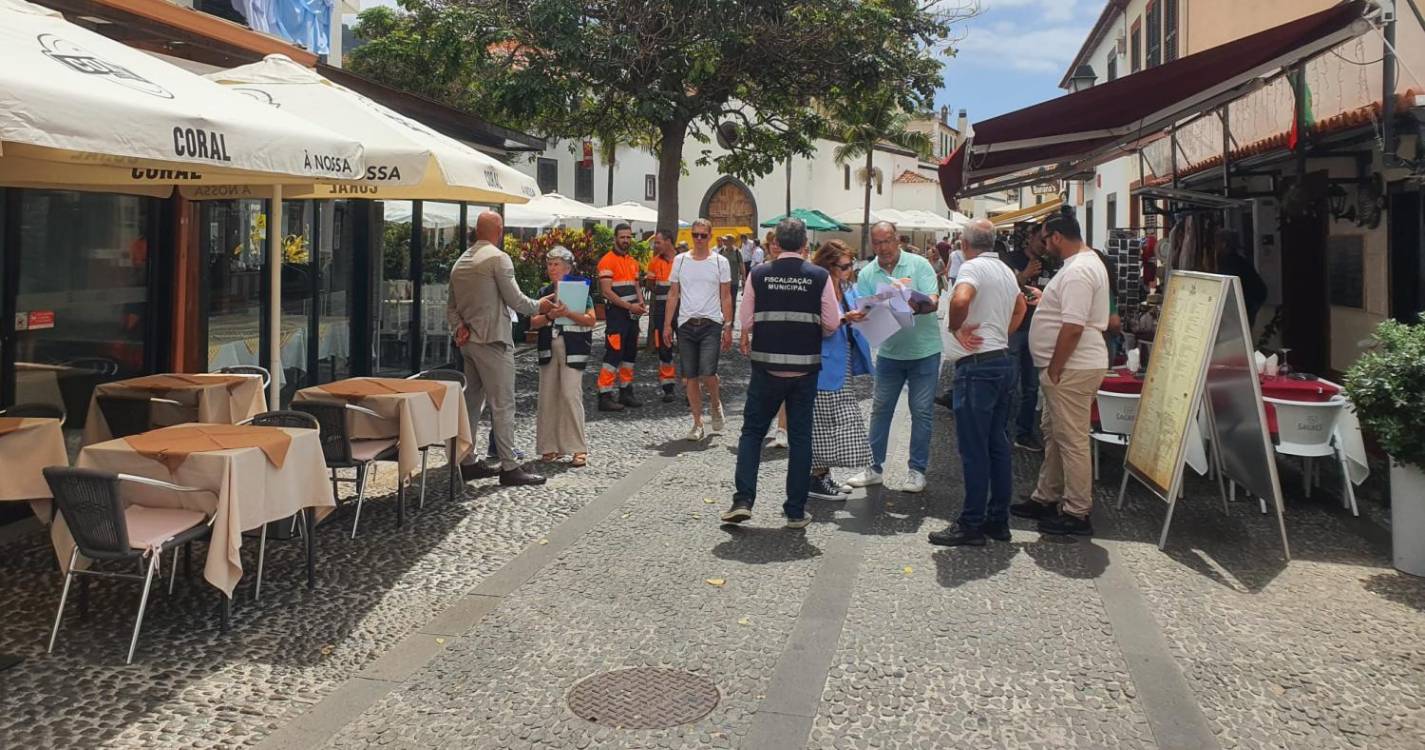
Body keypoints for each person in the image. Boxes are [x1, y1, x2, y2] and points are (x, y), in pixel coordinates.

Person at [721, 218, 841, 529]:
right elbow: (832, 323)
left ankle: (743, 500)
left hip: (766, 367)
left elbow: (745, 320)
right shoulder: (819, 276)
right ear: (804, 245)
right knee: (801, 439)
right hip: (804, 369)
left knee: (752, 433)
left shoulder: (759, 274)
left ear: (777, 244)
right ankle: (795, 511)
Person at [928, 219, 1026, 547]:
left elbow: (959, 300)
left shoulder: (973, 269)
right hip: (1000, 359)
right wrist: (1001, 333)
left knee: (973, 449)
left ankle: (971, 522)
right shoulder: (1007, 272)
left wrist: (957, 328)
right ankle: (998, 520)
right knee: (997, 445)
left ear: (965, 245)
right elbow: (1021, 307)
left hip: (977, 367)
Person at [1011, 213, 1111, 536]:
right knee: (1055, 435)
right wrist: (1046, 302)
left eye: (1044, 237)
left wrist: (1055, 367)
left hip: (1072, 367)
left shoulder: (1080, 270)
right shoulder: (1080, 265)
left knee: (1071, 440)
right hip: (1071, 366)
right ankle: (1046, 495)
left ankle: (1077, 512)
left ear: (1056, 237)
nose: (1042, 244)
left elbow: (1073, 327)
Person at [446, 210, 555, 486]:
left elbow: (451, 307)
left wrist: (459, 328)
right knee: (503, 404)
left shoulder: (461, 262)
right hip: (493, 340)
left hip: (468, 342)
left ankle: (466, 460)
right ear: (499, 230)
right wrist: (542, 305)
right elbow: (517, 301)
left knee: (472, 402)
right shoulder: (497, 258)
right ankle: (509, 466)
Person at [847, 221, 942, 493]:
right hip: (889, 352)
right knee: (880, 410)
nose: (883, 248)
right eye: (877, 243)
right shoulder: (866, 273)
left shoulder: (919, 265)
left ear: (897, 240)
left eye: (887, 241)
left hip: (924, 350)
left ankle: (916, 470)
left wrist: (918, 305)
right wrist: (866, 312)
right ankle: (873, 467)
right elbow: (865, 309)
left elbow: (933, 300)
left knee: (921, 411)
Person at [806, 240, 873, 500]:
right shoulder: (820, 289)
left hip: (839, 359)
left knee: (835, 420)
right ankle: (815, 477)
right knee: (823, 420)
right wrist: (847, 317)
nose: (848, 270)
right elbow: (823, 325)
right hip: (824, 362)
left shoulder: (841, 288)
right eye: (844, 266)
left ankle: (823, 475)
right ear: (828, 265)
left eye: (850, 264)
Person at [663, 218, 734, 441]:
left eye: (704, 235)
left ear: (711, 236)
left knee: (707, 372)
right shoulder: (680, 261)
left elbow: (726, 295)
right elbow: (673, 294)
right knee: (690, 376)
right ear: (691, 236)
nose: (700, 239)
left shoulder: (720, 262)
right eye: (696, 235)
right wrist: (667, 324)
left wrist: (729, 325)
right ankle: (697, 422)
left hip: (711, 322)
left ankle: (715, 402)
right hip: (685, 324)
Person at [530, 246, 594, 467]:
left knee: (570, 394)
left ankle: (578, 447)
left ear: (567, 267)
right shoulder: (544, 292)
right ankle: (549, 447)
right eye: (549, 264)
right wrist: (549, 315)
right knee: (547, 396)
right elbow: (533, 322)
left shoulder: (580, 289)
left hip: (574, 347)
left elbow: (591, 319)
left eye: (556, 264)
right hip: (549, 347)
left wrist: (567, 314)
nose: (552, 268)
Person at [1000, 222, 1055, 451]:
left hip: (1038, 331)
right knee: (1009, 384)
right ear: (1030, 237)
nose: (1044, 246)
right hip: (1014, 329)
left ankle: (1024, 433)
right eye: (1041, 241)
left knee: (1032, 386)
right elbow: (1003, 289)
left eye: (1047, 241)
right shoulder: (1009, 261)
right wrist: (1024, 275)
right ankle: (1002, 432)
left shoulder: (1051, 264)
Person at [596, 223, 648, 412]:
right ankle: (605, 395)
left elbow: (636, 286)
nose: (626, 240)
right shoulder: (607, 261)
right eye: (622, 237)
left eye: (628, 237)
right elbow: (607, 292)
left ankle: (626, 391)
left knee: (629, 355)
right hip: (617, 315)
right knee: (613, 355)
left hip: (632, 316)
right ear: (615, 238)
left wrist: (641, 305)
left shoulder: (633, 262)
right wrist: (630, 307)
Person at [645, 229, 679, 402]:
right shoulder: (654, 262)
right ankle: (668, 388)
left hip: (682, 309)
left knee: (687, 347)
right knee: (664, 348)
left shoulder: (683, 260)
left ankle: (691, 387)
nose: (655, 245)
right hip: (660, 310)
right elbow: (650, 284)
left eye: (658, 242)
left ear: (668, 241)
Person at [1214, 229, 1268, 327]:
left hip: (1251, 298)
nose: (1215, 246)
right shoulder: (1235, 259)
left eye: (1217, 243)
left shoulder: (1230, 262)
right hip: (1253, 296)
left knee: (1243, 326)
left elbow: (1228, 286)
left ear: (1224, 244)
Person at [718, 234, 743, 313]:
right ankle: (723, 320)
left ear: (732, 241)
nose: (724, 242)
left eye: (726, 240)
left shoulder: (737, 252)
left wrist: (744, 279)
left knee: (732, 302)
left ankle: (731, 321)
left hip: (733, 281)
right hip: (722, 282)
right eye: (723, 240)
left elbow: (741, 266)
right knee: (722, 301)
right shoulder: (721, 251)